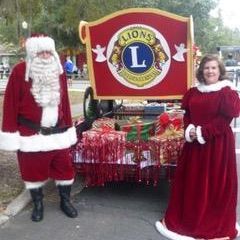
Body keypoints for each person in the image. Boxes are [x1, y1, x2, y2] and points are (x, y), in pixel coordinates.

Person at [155, 54, 240, 239]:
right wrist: (190, 129)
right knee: (192, 181)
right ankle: (190, 219)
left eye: (214, 68)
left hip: (218, 145)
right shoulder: (194, 91)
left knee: (215, 184)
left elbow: (225, 120)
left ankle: (212, 222)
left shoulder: (227, 92)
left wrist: (202, 132)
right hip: (194, 145)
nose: (210, 71)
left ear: (220, 71)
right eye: (206, 68)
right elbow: (187, 114)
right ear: (201, 70)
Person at [0, 34, 78, 222]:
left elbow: (65, 102)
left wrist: (68, 127)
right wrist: (10, 135)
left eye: (48, 51)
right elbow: (10, 105)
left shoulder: (58, 71)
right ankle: (38, 203)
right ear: (32, 54)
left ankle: (65, 200)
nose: (45, 55)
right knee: (32, 172)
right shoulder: (19, 72)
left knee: (64, 169)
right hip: (31, 135)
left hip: (58, 133)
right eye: (40, 52)